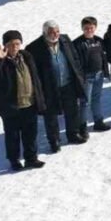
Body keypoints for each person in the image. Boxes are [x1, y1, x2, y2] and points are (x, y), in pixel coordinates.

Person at [26, 21, 86, 150]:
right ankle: (54, 141)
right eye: (51, 32)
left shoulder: (65, 39)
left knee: (72, 110)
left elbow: (74, 58)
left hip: (68, 83)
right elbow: (33, 71)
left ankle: (73, 134)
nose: (55, 34)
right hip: (49, 87)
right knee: (51, 115)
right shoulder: (34, 47)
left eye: (57, 31)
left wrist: (79, 75)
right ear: (44, 33)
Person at [0, 32, 47, 170]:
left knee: (31, 134)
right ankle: (14, 160)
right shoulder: (0, 59)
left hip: (30, 103)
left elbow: (35, 77)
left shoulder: (26, 56)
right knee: (13, 136)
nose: (14, 47)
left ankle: (31, 158)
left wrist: (39, 98)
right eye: (11, 44)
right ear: (5, 45)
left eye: (17, 43)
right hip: (10, 106)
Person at [72, 17, 111, 134]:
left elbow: (104, 56)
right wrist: (80, 76)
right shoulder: (77, 43)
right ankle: (82, 126)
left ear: (95, 27)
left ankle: (98, 122)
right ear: (82, 28)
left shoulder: (99, 41)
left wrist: (105, 71)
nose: (89, 30)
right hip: (86, 77)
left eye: (91, 28)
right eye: (86, 28)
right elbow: (76, 62)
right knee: (85, 102)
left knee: (96, 99)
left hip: (99, 74)